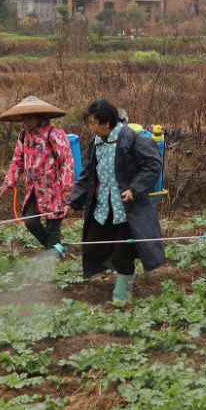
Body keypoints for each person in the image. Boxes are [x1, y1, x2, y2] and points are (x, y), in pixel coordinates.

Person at [66, 98, 164, 304]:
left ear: (107, 122)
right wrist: (73, 202)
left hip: (128, 210)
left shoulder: (132, 139)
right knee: (91, 249)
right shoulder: (96, 143)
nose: (91, 127)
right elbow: (88, 175)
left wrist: (134, 189)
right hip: (103, 208)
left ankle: (121, 300)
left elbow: (153, 165)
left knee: (122, 257)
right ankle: (126, 271)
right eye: (89, 123)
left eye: (93, 123)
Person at [0, 96, 75, 258]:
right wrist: (9, 183)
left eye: (30, 117)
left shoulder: (54, 134)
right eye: (24, 117)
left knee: (52, 228)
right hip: (33, 189)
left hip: (54, 189)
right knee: (30, 221)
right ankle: (55, 251)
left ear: (40, 116)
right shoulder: (23, 136)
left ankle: (53, 260)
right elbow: (17, 161)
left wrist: (68, 188)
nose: (26, 121)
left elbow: (67, 161)